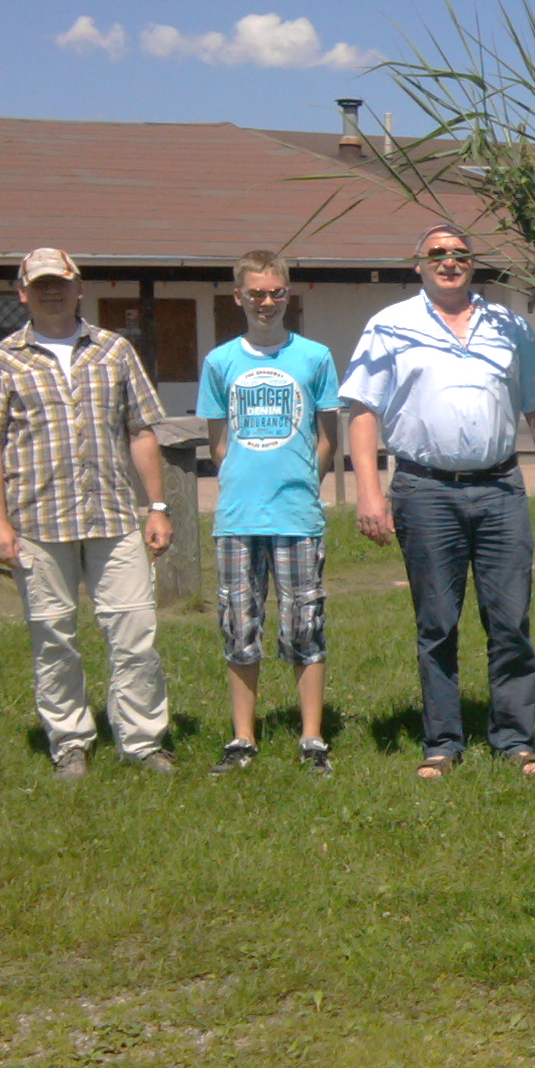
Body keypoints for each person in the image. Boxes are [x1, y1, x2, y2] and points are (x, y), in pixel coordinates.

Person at [342, 224, 535, 779]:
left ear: (473, 262)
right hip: (424, 490)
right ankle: (443, 742)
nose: (449, 262)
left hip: (500, 489)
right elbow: (363, 411)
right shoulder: (390, 325)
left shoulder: (509, 325)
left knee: (511, 621)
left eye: (460, 254)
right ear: (418, 264)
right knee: (437, 624)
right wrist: (369, 492)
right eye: (437, 254)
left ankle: (515, 739)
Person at [0, 247, 175, 779]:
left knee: (134, 633)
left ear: (80, 287)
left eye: (61, 282)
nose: (51, 291)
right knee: (54, 638)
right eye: (40, 285)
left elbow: (141, 431)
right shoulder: (3, 359)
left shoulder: (115, 350)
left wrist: (157, 507)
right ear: (22, 293)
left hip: (114, 517)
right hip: (37, 521)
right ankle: (70, 742)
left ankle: (142, 742)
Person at [198, 250, 342, 777]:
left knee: (305, 624)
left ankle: (312, 738)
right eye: (256, 293)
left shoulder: (315, 357)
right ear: (238, 297)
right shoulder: (220, 363)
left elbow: (327, 438)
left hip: (297, 516)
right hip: (238, 518)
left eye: (276, 292)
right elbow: (218, 445)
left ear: (288, 295)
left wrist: (301, 482)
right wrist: (248, 481)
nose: (266, 302)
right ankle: (243, 738)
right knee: (239, 624)